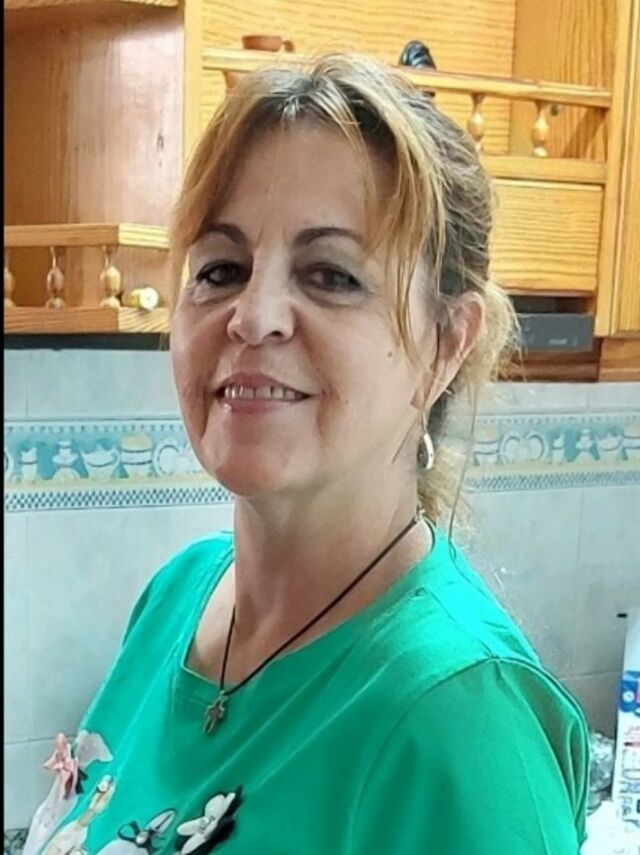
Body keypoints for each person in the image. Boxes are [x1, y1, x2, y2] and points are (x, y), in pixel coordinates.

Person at [25, 53, 589, 855]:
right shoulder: (176, 598)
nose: (253, 315)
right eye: (221, 269)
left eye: (330, 275)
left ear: (445, 345)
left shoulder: (462, 724)